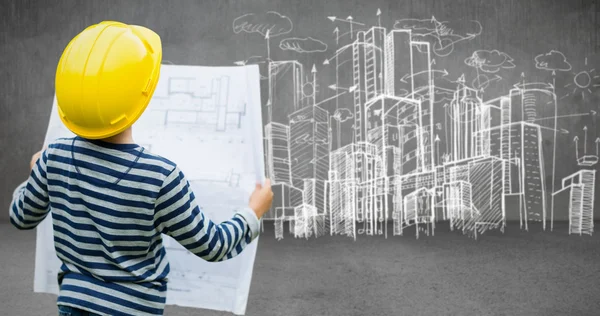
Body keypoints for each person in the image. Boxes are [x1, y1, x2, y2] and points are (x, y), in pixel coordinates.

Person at [9, 21, 273, 316]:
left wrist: (36, 171)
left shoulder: (53, 157)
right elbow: (212, 245)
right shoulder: (160, 177)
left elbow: (21, 217)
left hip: (74, 306)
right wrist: (253, 212)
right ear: (141, 98)